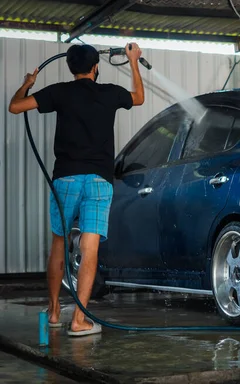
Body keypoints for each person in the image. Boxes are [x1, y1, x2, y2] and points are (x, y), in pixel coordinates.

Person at [8, 43, 145, 336]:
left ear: (72, 68)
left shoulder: (59, 92)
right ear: (96, 68)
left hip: (65, 179)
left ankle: (55, 310)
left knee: (59, 242)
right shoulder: (109, 93)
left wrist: (26, 85)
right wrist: (133, 61)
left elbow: (15, 106)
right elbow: (139, 98)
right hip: (98, 180)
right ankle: (79, 321)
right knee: (89, 245)